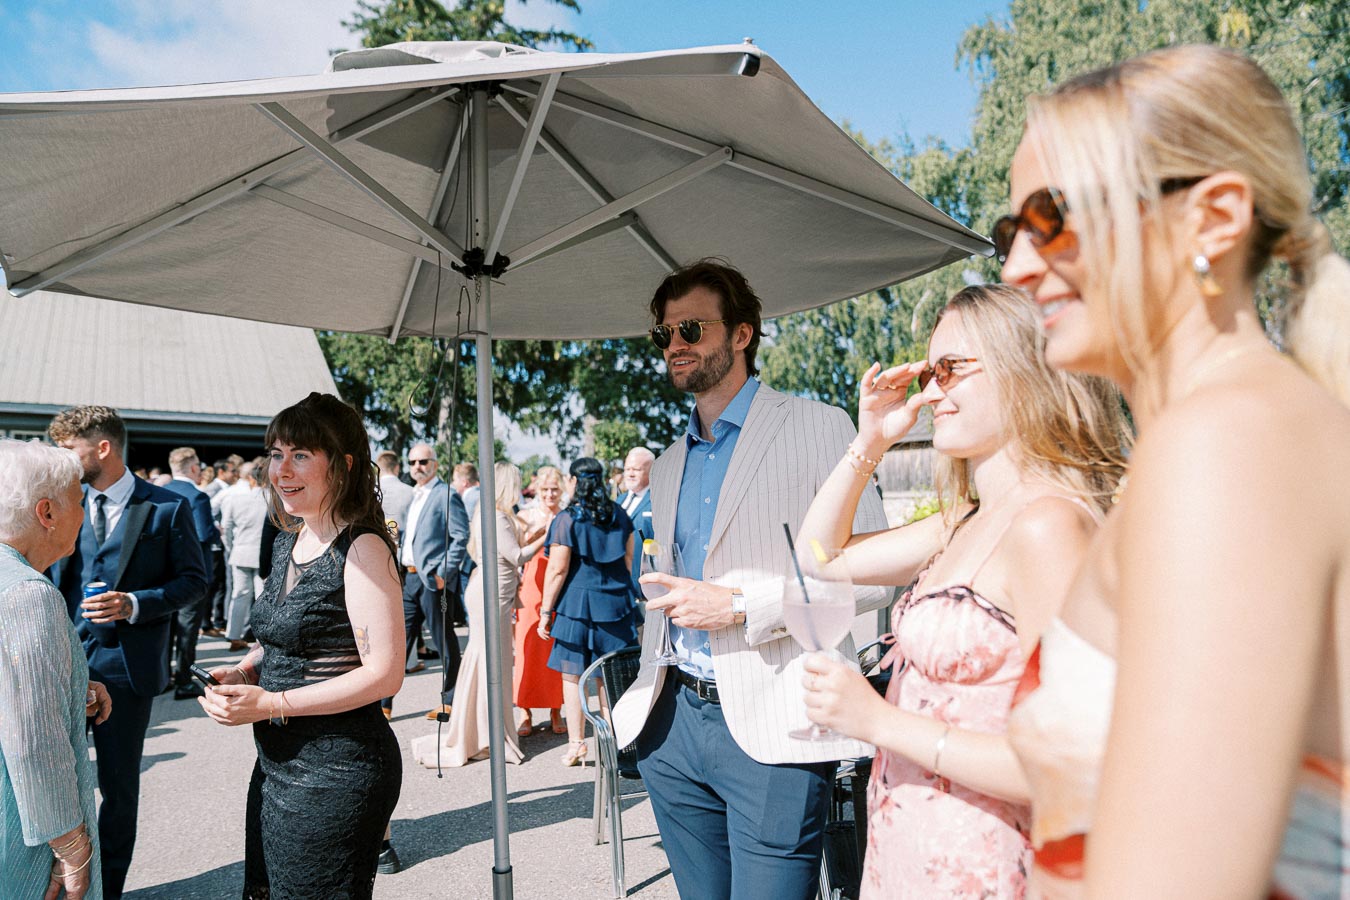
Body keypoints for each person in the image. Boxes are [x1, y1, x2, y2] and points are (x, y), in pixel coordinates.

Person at [998, 45, 1350, 897]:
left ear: (1214, 217)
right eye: (1010, 233)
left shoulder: (1226, 446)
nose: (1015, 266)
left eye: (1052, 219)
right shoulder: (1235, 434)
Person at [796, 285, 1129, 898]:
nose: (929, 391)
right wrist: (870, 442)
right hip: (909, 851)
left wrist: (878, 721)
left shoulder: (1048, 525)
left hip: (983, 863)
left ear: (1024, 371)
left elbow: (1074, 764)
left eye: (949, 369)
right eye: (928, 371)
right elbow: (820, 557)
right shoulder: (963, 520)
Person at [609, 259, 891, 898]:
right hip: (671, 725)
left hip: (774, 726)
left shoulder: (821, 427)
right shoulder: (670, 462)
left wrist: (740, 604)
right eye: (665, 335)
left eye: (693, 330)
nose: (676, 346)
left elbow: (876, 580)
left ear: (742, 334)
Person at [198, 392, 405, 899]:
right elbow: (285, 640)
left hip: (340, 770)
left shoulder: (363, 549)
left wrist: (271, 703)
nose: (281, 469)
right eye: (275, 454)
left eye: (301, 455)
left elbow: (385, 673)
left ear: (343, 465)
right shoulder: (287, 539)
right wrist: (245, 672)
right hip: (277, 764)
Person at [47, 406, 207, 899]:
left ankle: (107, 891)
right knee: (54, 785)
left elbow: (194, 583)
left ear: (102, 448)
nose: (63, 462)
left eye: (69, 451)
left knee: (118, 791)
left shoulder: (165, 507)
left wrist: (136, 603)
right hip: (61, 663)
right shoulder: (58, 501)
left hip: (126, 669)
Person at [0, 440, 113, 900]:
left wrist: (68, 684)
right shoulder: (29, 594)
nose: (83, 515)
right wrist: (70, 843)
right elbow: (33, 738)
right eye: (79, 502)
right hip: (21, 825)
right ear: (47, 512)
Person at [413, 463, 547, 767]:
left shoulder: (493, 514)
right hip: (491, 594)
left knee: (488, 661)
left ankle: (479, 730)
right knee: (490, 663)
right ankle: (484, 734)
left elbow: (508, 551)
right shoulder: (497, 516)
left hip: (489, 589)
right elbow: (518, 556)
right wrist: (547, 535)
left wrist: (533, 534)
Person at [538, 457, 638, 766]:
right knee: (608, 679)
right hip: (615, 605)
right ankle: (614, 745)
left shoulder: (568, 519)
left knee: (572, 676)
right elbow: (630, 560)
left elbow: (557, 569)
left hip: (577, 606)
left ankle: (576, 744)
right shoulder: (620, 514)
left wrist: (545, 611)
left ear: (573, 482)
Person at [395, 442, 469, 720]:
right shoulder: (415, 495)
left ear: (435, 464)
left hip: (433, 580)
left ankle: (450, 699)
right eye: (413, 462)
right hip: (410, 577)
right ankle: (383, 704)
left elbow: (461, 536)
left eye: (423, 462)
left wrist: (443, 573)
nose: (417, 467)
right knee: (401, 639)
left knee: (443, 639)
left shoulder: (445, 495)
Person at [513, 465, 566, 736]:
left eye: (554, 489)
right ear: (537, 490)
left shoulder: (567, 515)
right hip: (532, 584)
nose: (550, 494)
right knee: (528, 648)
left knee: (555, 648)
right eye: (545, 489)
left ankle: (556, 708)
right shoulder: (525, 515)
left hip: (560, 585)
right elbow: (516, 553)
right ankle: (525, 710)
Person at [163, 446, 219, 699]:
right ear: (194, 468)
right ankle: (184, 679)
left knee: (167, 626)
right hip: (191, 572)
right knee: (187, 628)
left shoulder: (161, 492)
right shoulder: (198, 497)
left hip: (163, 573)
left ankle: (163, 675)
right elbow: (204, 535)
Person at [219, 458, 269, 652]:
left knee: (239, 595)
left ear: (250, 479)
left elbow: (227, 527)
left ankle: (233, 634)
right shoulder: (272, 498)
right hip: (263, 553)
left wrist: (232, 547)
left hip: (240, 551)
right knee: (262, 596)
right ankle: (262, 638)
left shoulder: (234, 497)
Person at [618, 446, 655, 591]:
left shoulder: (658, 500)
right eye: (627, 469)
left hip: (644, 587)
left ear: (650, 471)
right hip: (618, 586)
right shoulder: (618, 501)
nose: (630, 474)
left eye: (637, 469)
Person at [375, 450, 414, 538]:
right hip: (401, 547)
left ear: (377, 469)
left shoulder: (368, 492)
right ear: (397, 468)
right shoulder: (412, 492)